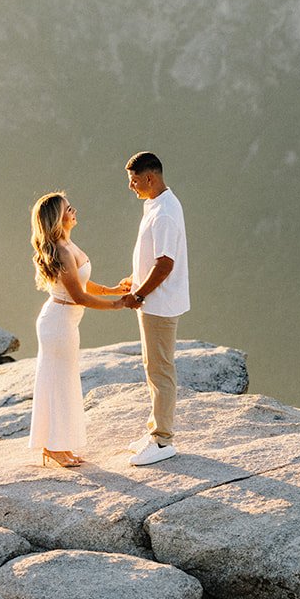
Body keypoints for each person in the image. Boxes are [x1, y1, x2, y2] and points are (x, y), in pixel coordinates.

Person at [28, 191, 127, 467]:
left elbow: (83, 282)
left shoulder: (67, 244)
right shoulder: (60, 250)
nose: (74, 211)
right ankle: (52, 446)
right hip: (58, 321)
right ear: (58, 219)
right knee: (57, 382)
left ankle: (59, 444)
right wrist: (118, 304)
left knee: (64, 381)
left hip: (64, 321)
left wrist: (112, 290)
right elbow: (79, 296)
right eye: (68, 209)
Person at [120, 151, 190, 465]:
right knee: (153, 367)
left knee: (161, 370)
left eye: (134, 181)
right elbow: (154, 259)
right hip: (153, 301)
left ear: (150, 177)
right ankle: (154, 431)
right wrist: (135, 280)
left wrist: (139, 294)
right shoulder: (159, 205)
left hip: (158, 303)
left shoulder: (164, 213)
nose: (131, 187)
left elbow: (164, 264)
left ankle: (163, 441)